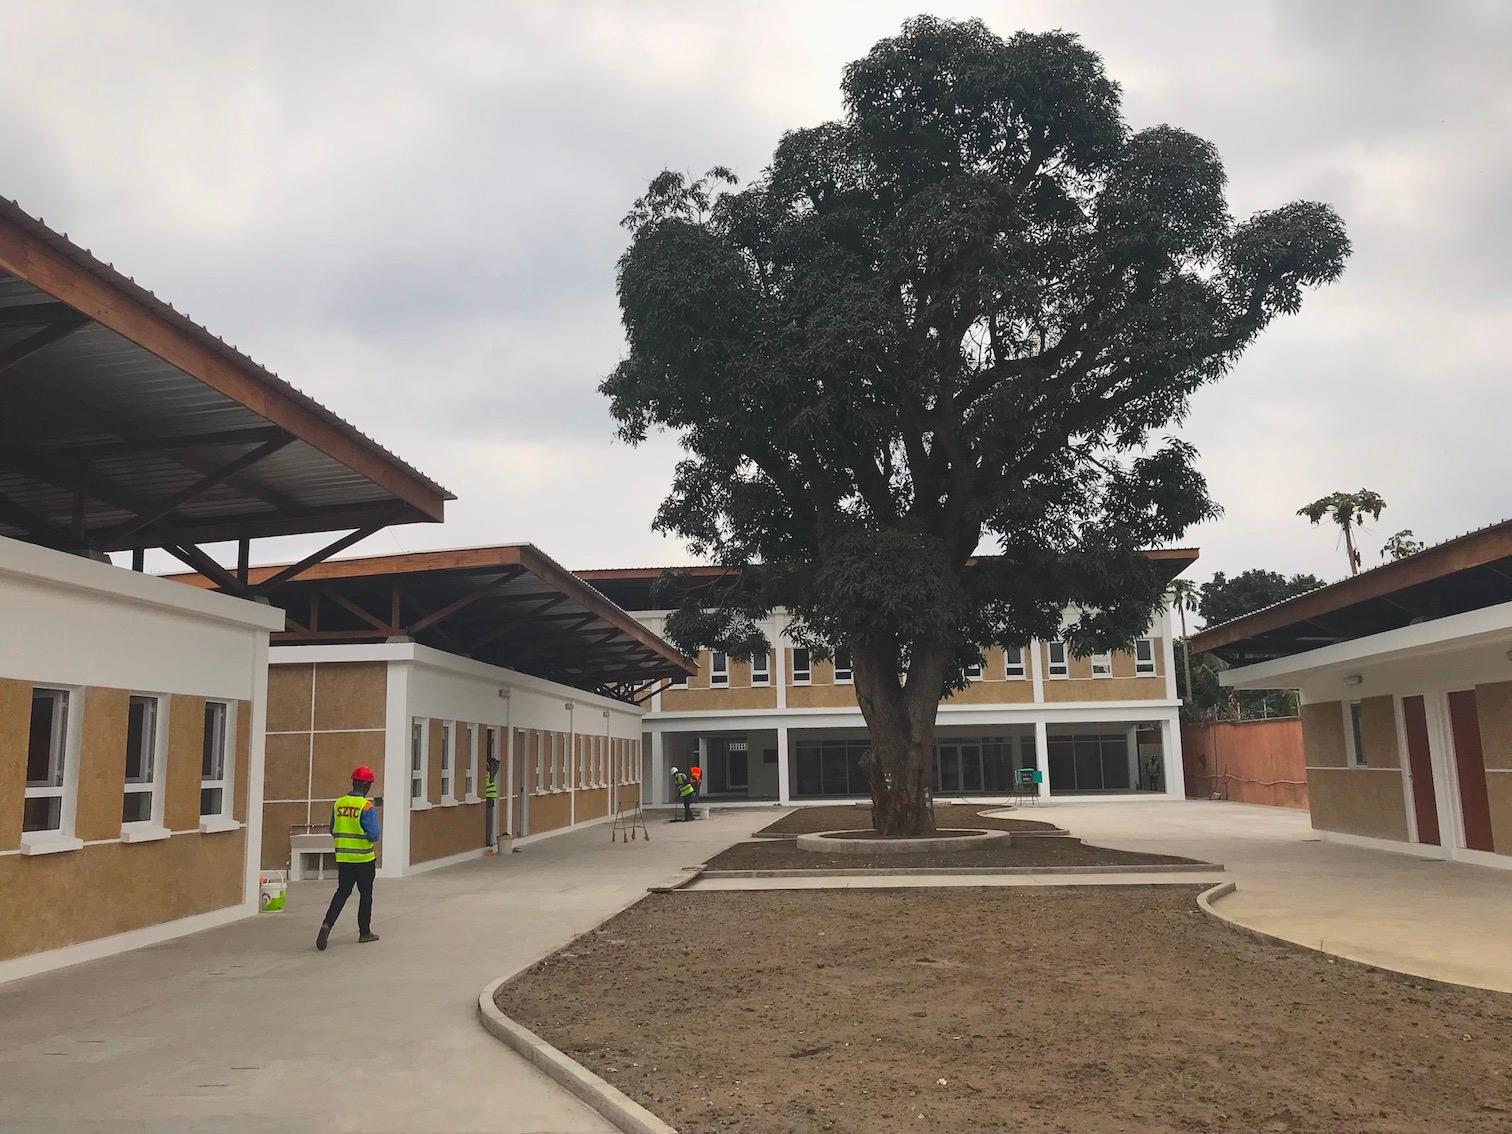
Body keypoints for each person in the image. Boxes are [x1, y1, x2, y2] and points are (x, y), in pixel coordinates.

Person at [316, 765, 381, 950]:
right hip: (363, 859)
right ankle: (364, 932)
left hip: (343, 858)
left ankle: (327, 924)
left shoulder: (339, 803)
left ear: (353, 783)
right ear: (367, 786)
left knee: (342, 892)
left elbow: (332, 829)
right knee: (365, 895)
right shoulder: (366, 806)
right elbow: (374, 834)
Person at [483, 753, 500, 849]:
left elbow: (495, 766)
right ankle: (488, 840)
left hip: (489, 797)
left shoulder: (489, 774)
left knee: (488, 819)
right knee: (488, 818)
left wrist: (492, 764)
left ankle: (488, 841)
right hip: (489, 797)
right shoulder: (489, 774)